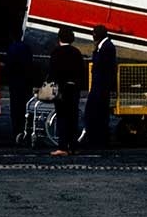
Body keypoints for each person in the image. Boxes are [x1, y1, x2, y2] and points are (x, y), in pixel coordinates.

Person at [47, 26, 86, 156]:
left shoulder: (56, 53)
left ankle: (62, 147)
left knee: (62, 117)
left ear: (59, 39)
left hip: (61, 89)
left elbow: (52, 73)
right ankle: (73, 146)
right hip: (74, 88)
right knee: (73, 117)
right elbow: (82, 71)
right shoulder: (76, 52)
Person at [81, 24, 118, 149]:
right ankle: (97, 138)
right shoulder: (105, 46)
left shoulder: (106, 47)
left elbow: (101, 65)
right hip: (100, 86)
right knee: (97, 113)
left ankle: (98, 139)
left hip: (101, 86)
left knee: (96, 113)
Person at [5, 34, 34, 143]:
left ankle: (16, 131)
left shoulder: (11, 49)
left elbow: (9, 66)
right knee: (25, 107)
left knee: (15, 108)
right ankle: (26, 129)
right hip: (26, 82)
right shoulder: (27, 48)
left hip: (15, 83)